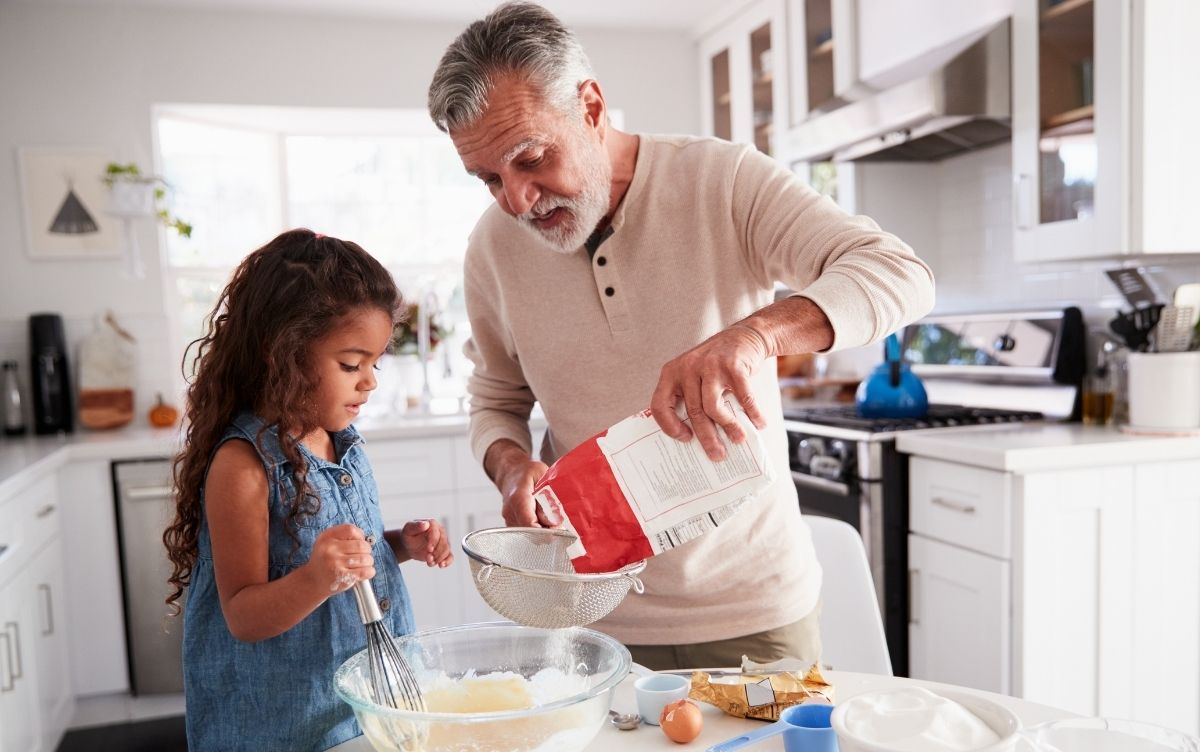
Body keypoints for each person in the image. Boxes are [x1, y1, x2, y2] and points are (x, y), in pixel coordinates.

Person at [427, 3, 934, 670]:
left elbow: (900, 273)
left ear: (591, 106)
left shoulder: (720, 181)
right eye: (490, 179)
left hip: (754, 611)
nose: (518, 200)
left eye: (531, 159)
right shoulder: (492, 249)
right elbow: (496, 394)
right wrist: (510, 464)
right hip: (593, 614)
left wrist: (755, 335)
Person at [163, 229, 454, 751]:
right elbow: (244, 614)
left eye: (375, 364)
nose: (369, 382)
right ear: (285, 354)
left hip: (359, 712)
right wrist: (319, 578)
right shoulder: (243, 467)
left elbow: (345, 561)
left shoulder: (340, 443)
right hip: (279, 727)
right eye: (351, 364)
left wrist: (397, 547)